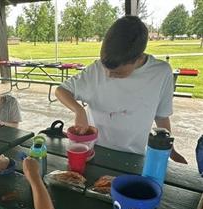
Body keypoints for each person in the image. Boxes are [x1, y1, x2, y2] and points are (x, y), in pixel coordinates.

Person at [55, 16, 187, 164]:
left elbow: (161, 116)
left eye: (117, 72)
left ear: (138, 58)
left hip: (133, 156)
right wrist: (79, 110)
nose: (109, 75)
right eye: (106, 69)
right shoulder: (96, 70)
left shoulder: (161, 72)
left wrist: (170, 150)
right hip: (96, 150)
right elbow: (61, 90)